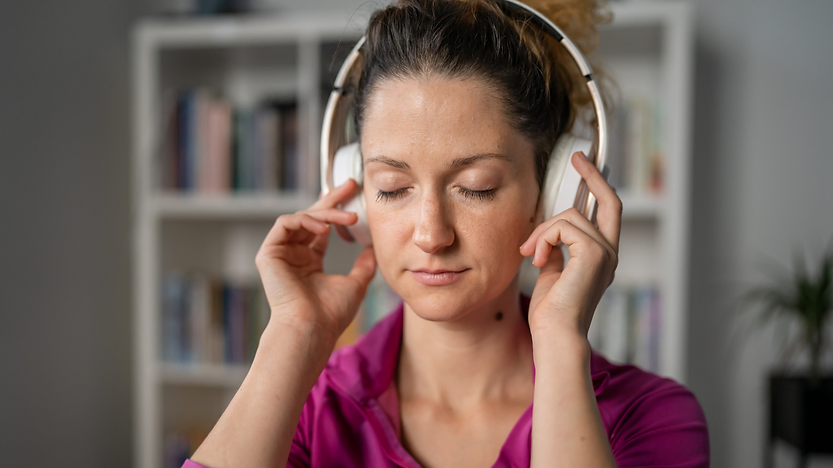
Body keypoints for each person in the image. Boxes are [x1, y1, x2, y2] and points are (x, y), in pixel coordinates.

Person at [184, 0, 709, 466]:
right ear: (353, 189)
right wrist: (293, 334)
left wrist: (559, 345)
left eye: (476, 187)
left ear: (552, 195)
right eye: (392, 188)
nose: (432, 235)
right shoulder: (307, 410)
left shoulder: (652, 417)